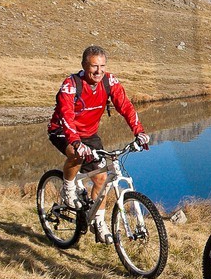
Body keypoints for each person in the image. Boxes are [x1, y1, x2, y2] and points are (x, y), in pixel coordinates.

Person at [48, 45, 150, 243]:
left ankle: (98, 223)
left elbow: (126, 106)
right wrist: (76, 142)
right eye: (94, 66)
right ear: (84, 65)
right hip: (62, 130)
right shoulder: (71, 84)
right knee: (76, 154)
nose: (99, 71)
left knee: (102, 178)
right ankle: (68, 188)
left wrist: (140, 132)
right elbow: (67, 115)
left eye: (102, 66)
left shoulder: (108, 81)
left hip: (89, 134)